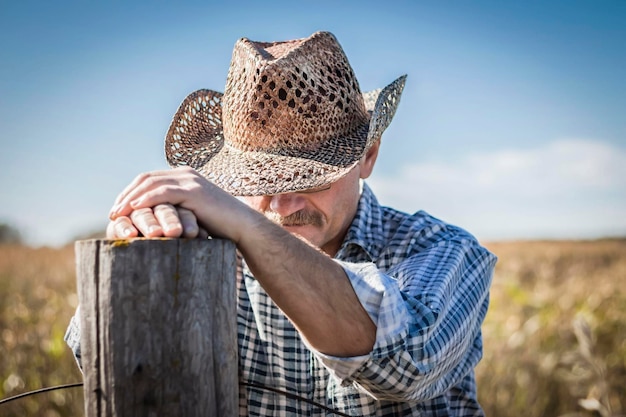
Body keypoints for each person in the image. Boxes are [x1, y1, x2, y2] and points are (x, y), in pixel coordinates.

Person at [65, 31, 496, 416]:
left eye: (314, 175)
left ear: (368, 157)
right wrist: (144, 260)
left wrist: (248, 228)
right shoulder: (203, 252)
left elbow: (402, 365)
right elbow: (107, 366)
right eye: (257, 181)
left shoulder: (439, 249)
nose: (284, 204)